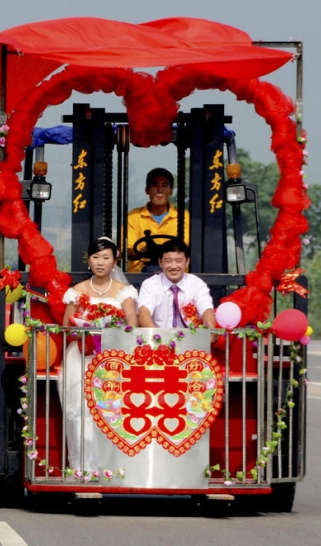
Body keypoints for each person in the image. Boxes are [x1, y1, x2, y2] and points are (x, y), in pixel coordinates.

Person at [59, 237, 138, 474]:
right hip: (81, 356)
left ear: (115, 260)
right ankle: (83, 467)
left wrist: (111, 331)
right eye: (96, 257)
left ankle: (112, 467)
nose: (100, 262)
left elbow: (131, 326)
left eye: (106, 257)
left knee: (111, 409)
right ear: (88, 260)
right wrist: (84, 329)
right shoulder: (77, 291)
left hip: (112, 359)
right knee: (80, 410)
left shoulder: (124, 292)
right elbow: (66, 327)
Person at [136, 239, 216, 329]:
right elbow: (144, 312)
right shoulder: (150, 284)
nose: (173, 266)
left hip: (191, 339)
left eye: (178, 261)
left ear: (187, 262)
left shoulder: (197, 284)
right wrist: (157, 338)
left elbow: (206, 309)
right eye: (168, 261)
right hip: (158, 338)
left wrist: (209, 329)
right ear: (160, 262)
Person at [126, 167, 191, 273]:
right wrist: (142, 251)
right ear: (147, 190)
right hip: (140, 278)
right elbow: (127, 249)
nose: (160, 190)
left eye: (164, 185)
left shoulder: (183, 217)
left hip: (176, 275)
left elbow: (186, 247)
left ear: (171, 191)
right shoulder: (134, 216)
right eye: (155, 185)